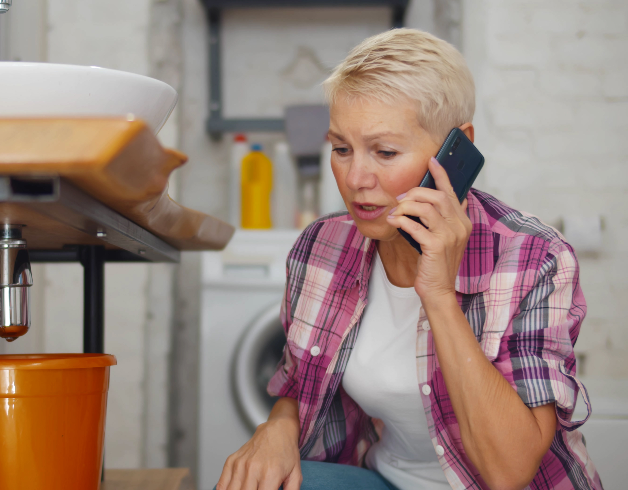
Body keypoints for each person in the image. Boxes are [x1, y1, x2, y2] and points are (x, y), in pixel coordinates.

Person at [216, 29, 602, 490]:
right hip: (386, 480)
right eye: (341, 149)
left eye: (385, 152)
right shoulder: (321, 247)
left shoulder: (534, 257)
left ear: (456, 148)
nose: (356, 178)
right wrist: (276, 428)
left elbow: (509, 471)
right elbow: (300, 383)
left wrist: (439, 295)